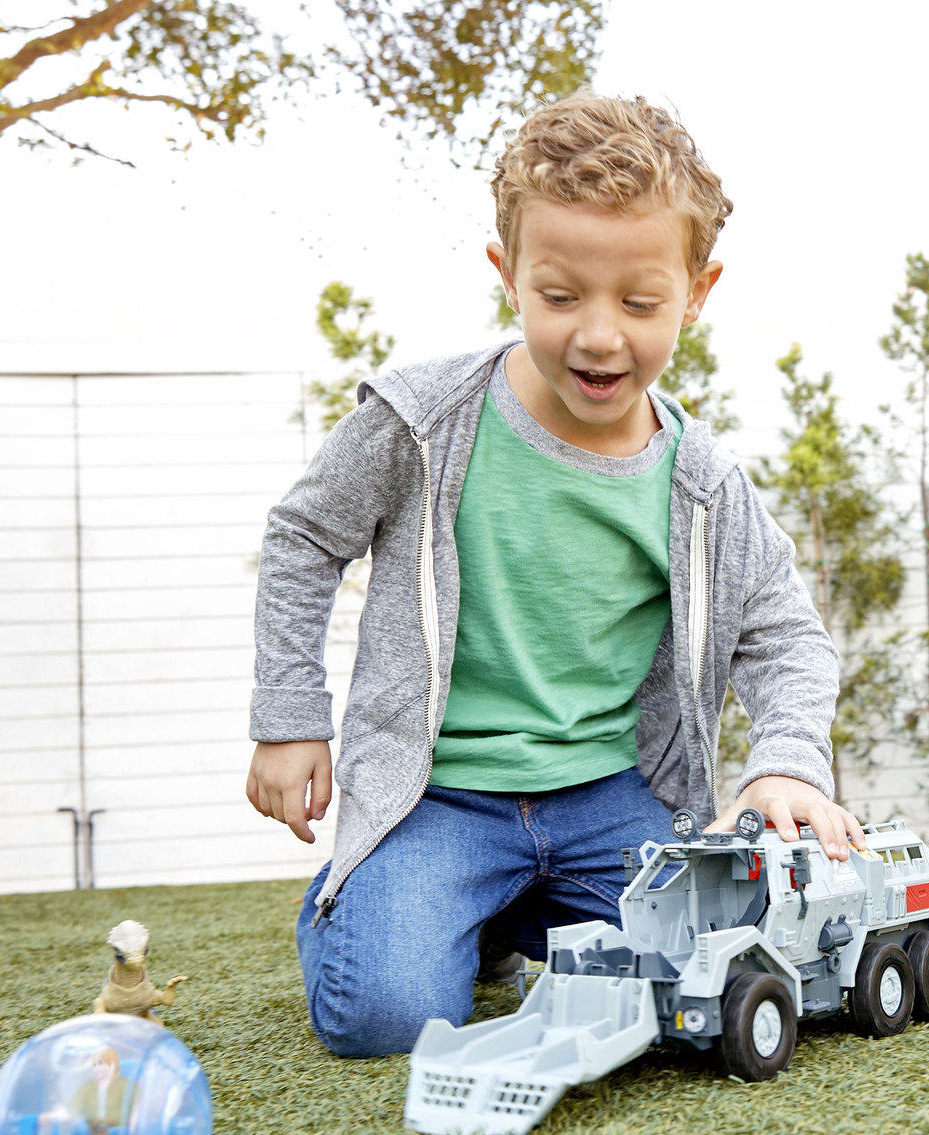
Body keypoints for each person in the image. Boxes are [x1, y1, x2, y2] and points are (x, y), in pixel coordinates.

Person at [246, 93, 861, 1057]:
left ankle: (497, 918)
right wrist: (289, 716)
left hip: (607, 797)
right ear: (509, 275)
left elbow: (784, 634)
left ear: (697, 291)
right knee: (388, 1019)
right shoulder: (422, 424)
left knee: (706, 980)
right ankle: (375, 899)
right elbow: (302, 536)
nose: (599, 336)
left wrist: (785, 760)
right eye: (561, 297)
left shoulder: (701, 485)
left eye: (640, 303)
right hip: (438, 797)